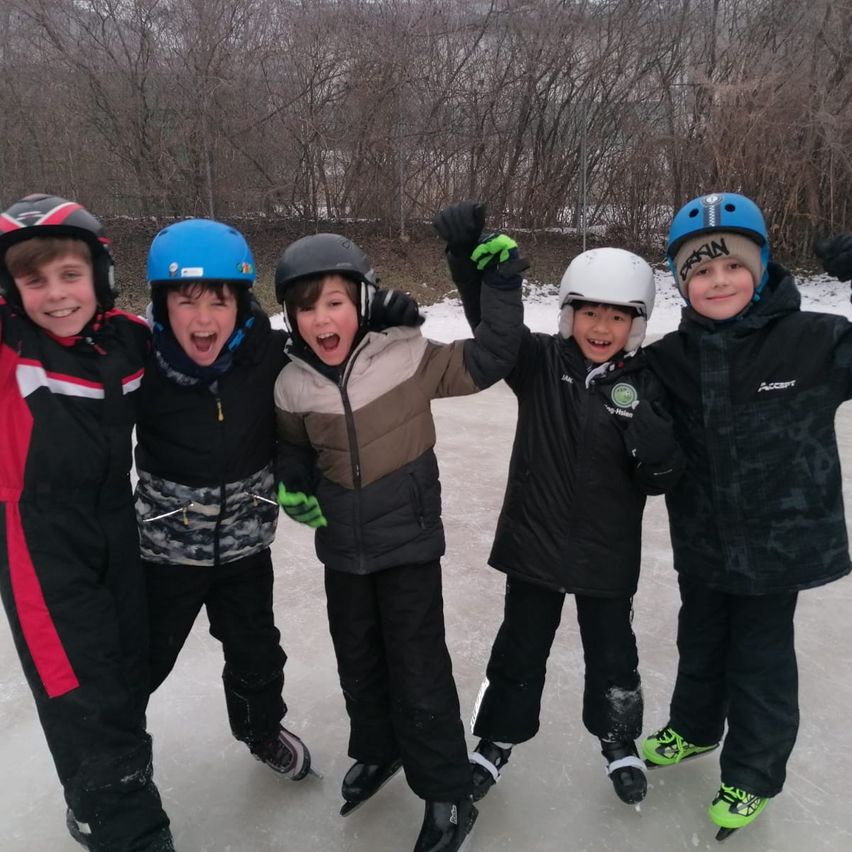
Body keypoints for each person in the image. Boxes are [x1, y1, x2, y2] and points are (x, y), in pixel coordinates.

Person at [135, 218, 421, 780]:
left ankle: (260, 730)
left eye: (218, 301)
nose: (202, 319)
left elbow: (325, 358)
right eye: (185, 301)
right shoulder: (140, 362)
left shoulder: (269, 354)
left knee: (258, 657)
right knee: (138, 662)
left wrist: (381, 313)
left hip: (244, 547)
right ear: (160, 304)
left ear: (241, 304)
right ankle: (113, 763)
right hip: (164, 549)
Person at [272, 229, 524, 852]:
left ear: (362, 298)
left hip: (408, 542)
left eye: (336, 300)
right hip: (342, 551)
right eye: (307, 306)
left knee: (418, 669)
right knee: (357, 659)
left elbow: (492, 358)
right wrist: (293, 476)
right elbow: (292, 446)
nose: (322, 318)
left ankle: (447, 790)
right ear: (291, 316)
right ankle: (379, 750)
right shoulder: (289, 384)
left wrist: (498, 284)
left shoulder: (407, 354)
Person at [433, 202, 683, 809]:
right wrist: (472, 267)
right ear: (569, 314)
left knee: (613, 654)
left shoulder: (648, 381)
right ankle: (494, 739)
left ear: (637, 324)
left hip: (607, 552)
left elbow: (662, 475)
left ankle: (620, 742)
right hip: (535, 544)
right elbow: (495, 332)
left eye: (617, 317)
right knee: (519, 646)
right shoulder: (542, 362)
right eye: (589, 312)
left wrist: (642, 426)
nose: (601, 326)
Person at [640, 192, 852, 840]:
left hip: (777, 546)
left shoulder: (814, 341)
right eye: (700, 271)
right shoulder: (669, 358)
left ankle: (753, 774)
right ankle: (696, 729)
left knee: (760, 661)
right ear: (681, 283)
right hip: (703, 542)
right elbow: (616, 396)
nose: (718, 280)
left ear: (760, 266)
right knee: (699, 642)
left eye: (732, 265)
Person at [0, 194, 174, 851]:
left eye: (69, 274)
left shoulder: (128, 337)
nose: (55, 294)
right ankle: (127, 826)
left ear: (99, 274)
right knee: (80, 691)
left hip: (114, 518)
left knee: (127, 671)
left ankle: (94, 795)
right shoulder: (10, 343)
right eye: (33, 279)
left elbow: (204, 360)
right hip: (36, 533)